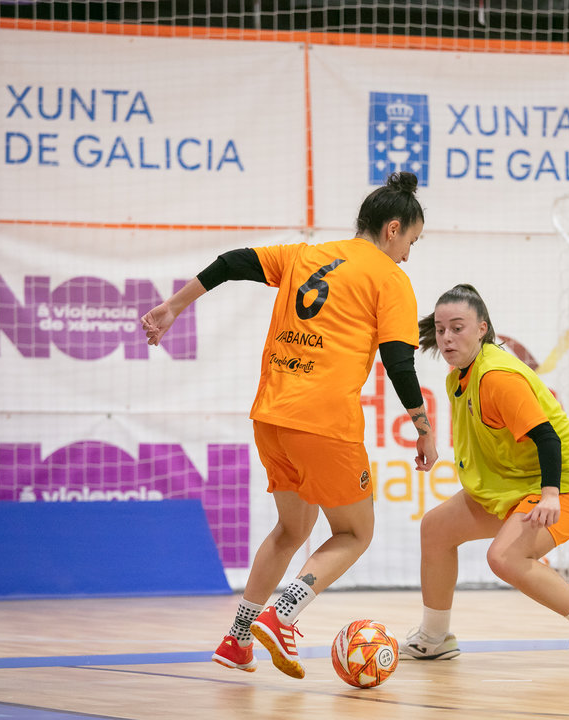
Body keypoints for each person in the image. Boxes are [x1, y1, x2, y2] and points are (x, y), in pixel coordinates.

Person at [140, 172, 438, 678]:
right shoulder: (390, 279)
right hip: (324, 423)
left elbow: (232, 263)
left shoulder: (305, 255)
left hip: (271, 417)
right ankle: (283, 616)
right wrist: (424, 427)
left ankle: (237, 640)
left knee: (291, 529)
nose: (409, 254)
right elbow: (399, 360)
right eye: (411, 241)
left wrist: (174, 305)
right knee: (354, 533)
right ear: (393, 229)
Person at [402, 284, 569, 667]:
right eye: (440, 329)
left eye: (458, 327)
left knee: (505, 557)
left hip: (566, 486)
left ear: (483, 328)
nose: (447, 337)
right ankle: (435, 637)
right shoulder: (458, 378)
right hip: (513, 486)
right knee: (436, 528)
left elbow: (547, 438)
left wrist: (550, 495)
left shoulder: (498, 376)